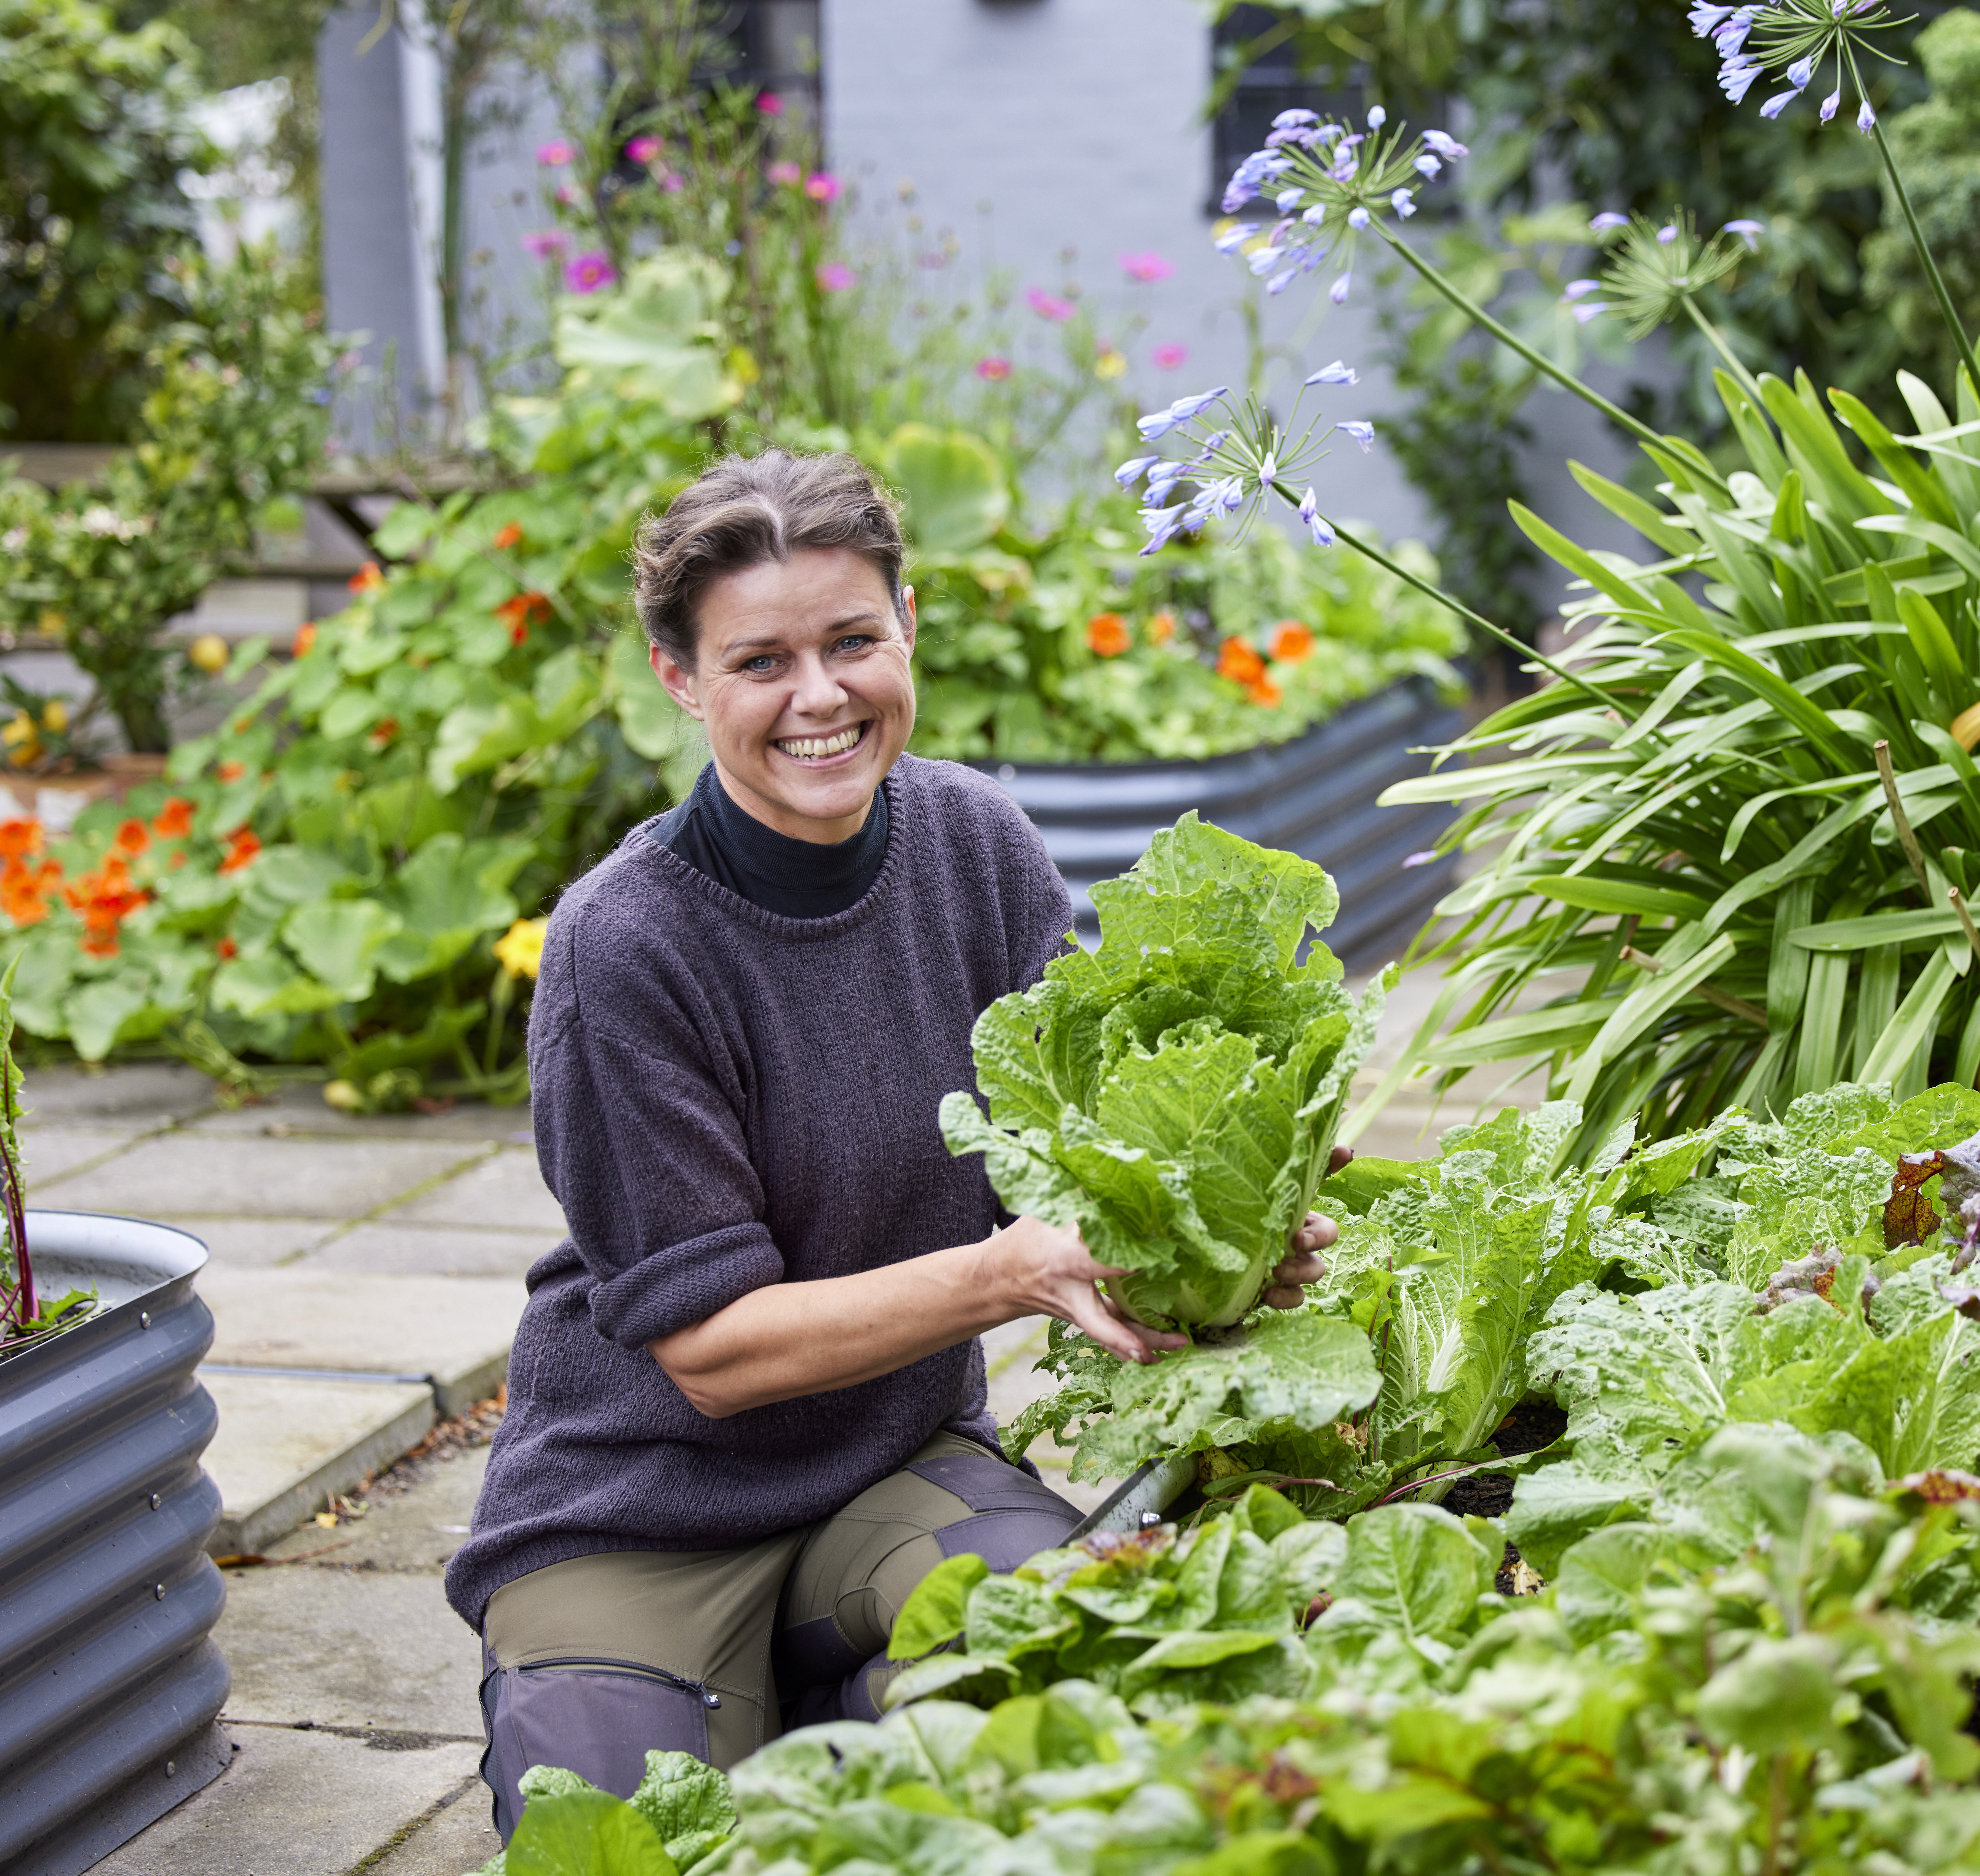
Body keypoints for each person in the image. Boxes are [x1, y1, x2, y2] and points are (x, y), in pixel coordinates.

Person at [443, 449, 1339, 1833]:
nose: (820, 697)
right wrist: (1002, 1277)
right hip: (638, 1510)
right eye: (760, 661)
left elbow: (1079, 1150)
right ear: (681, 679)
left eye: (852, 639)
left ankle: (822, 1708)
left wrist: (1223, 1230)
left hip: (891, 1467)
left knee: (1068, 1690)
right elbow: (716, 1352)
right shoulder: (622, 946)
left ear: (906, 626)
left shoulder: (973, 848)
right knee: (621, 1837)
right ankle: (742, 1701)